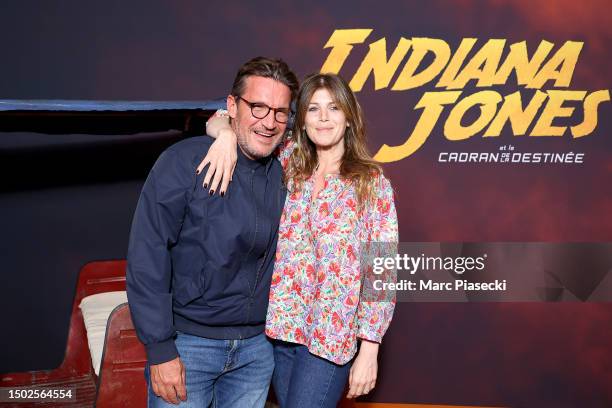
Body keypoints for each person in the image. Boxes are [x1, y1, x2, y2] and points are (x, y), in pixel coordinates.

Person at [201, 72, 398, 407]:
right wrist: (224, 138)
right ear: (301, 120)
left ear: (348, 118)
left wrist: (370, 349)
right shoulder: (289, 162)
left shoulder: (371, 182)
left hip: (330, 338)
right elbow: (222, 117)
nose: (323, 118)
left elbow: (382, 271)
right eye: (313, 109)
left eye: (334, 108)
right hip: (281, 331)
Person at [126, 56, 299, 407]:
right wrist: (160, 350)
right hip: (189, 346)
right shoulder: (184, 162)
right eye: (259, 107)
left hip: (256, 351)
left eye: (281, 111)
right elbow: (148, 253)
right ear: (232, 105)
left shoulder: (292, 169)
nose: (270, 122)